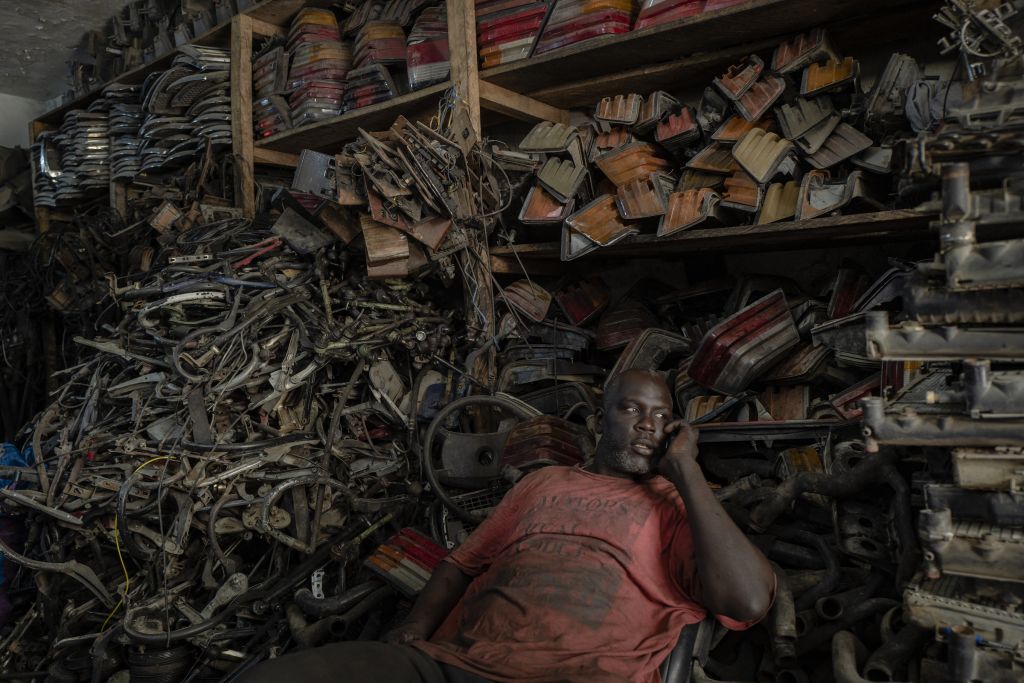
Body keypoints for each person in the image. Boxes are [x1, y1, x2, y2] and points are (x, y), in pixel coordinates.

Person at [240, 370, 775, 683]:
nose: (647, 426)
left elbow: (747, 601)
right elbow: (458, 565)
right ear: (599, 421)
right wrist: (413, 630)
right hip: (457, 663)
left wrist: (685, 471)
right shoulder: (542, 485)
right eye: (631, 410)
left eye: (661, 417)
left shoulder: (678, 506)